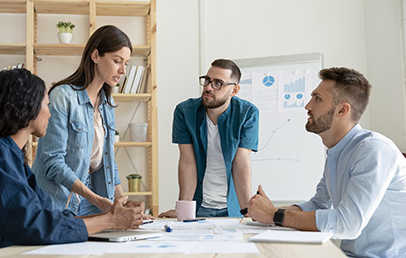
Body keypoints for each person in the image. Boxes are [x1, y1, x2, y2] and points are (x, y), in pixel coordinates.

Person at [0, 69, 143, 257]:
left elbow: (47, 216)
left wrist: (110, 217)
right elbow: (29, 226)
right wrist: (110, 221)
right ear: (27, 107)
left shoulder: (12, 157)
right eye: (47, 104)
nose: (50, 113)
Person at [248, 67, 406, 257]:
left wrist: (275, 216)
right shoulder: (336, 151)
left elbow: (349, 224)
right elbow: (320, 203)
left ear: (342, 110)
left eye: (317, 99)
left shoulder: (373, 149)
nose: (307, 106)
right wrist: (271, 212)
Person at [32, 25, 146, 217]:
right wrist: (94, 198)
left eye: (125, 63)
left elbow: (108, 159)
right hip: (58, 202)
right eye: (117, 61)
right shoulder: (63, 97)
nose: (123, 70)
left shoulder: (108, 103)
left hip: (93, 201)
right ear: (95, 56)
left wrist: (121, 203)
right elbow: (53, 163)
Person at [159, 59, 259, 218]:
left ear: (234, 90)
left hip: (233, 209)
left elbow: (240, 161)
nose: (208, 87)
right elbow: (187, 161)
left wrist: (248, 212)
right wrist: (182, 210)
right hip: (199, 208)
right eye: (207, 80)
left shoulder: (247, 113)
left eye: (218, 83)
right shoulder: (185, 112)